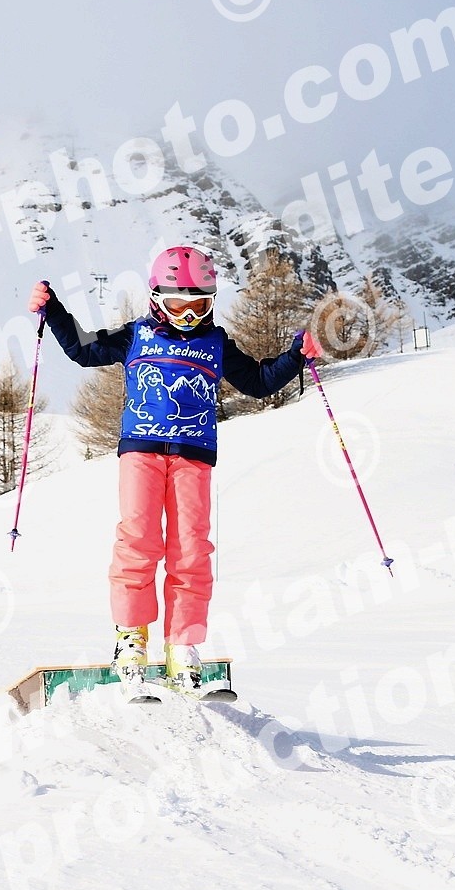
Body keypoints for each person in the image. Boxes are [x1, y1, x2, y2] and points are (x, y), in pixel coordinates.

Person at [29, 245, 323, 692]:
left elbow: (259, 381)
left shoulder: (216, 343)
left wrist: (297, 353)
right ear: (156, 299)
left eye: (199, 306)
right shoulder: (136, 335)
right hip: (141, 451)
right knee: (138, 540)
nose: (188, 316)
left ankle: (183, 646)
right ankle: (131, 638)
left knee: (191, 550)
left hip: (194, 456)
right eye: (178, 305)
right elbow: (84, 350)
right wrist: (53, 311)